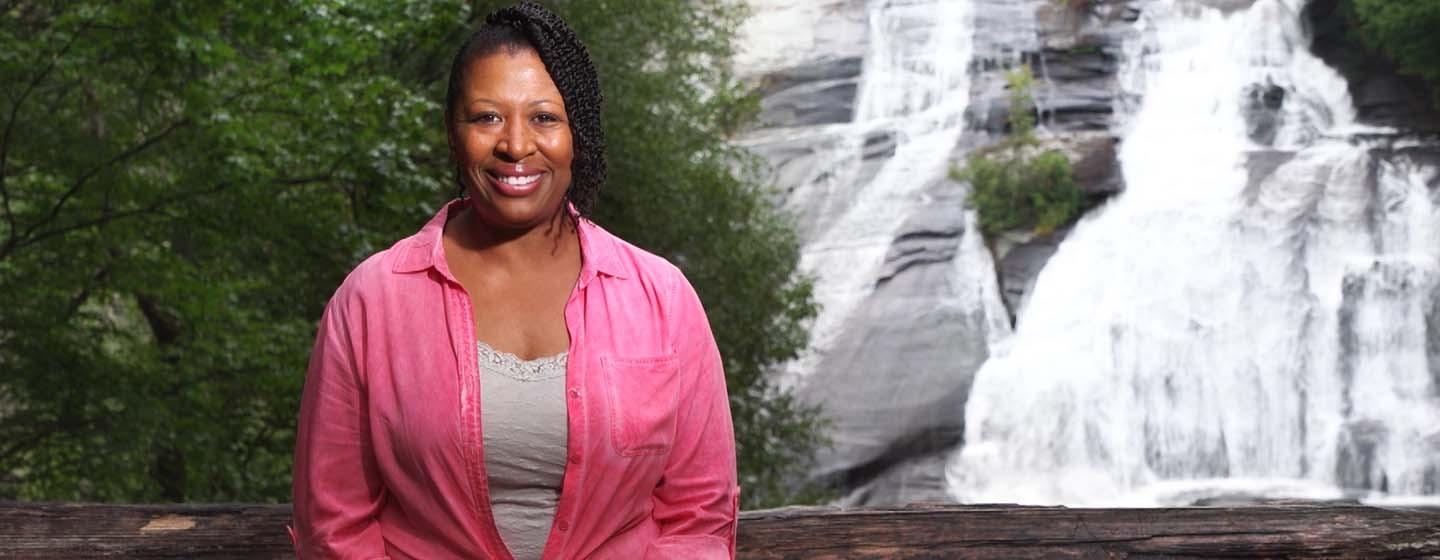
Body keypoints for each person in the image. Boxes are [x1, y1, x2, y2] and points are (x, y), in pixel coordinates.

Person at [290, 3, 739, 558]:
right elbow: (333, 524)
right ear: (453, 133)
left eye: (545, 117)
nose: (516, 145)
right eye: (487, 117)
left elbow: (698, 517)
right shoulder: (370, 301)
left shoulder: (663, 299)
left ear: (580, 133)